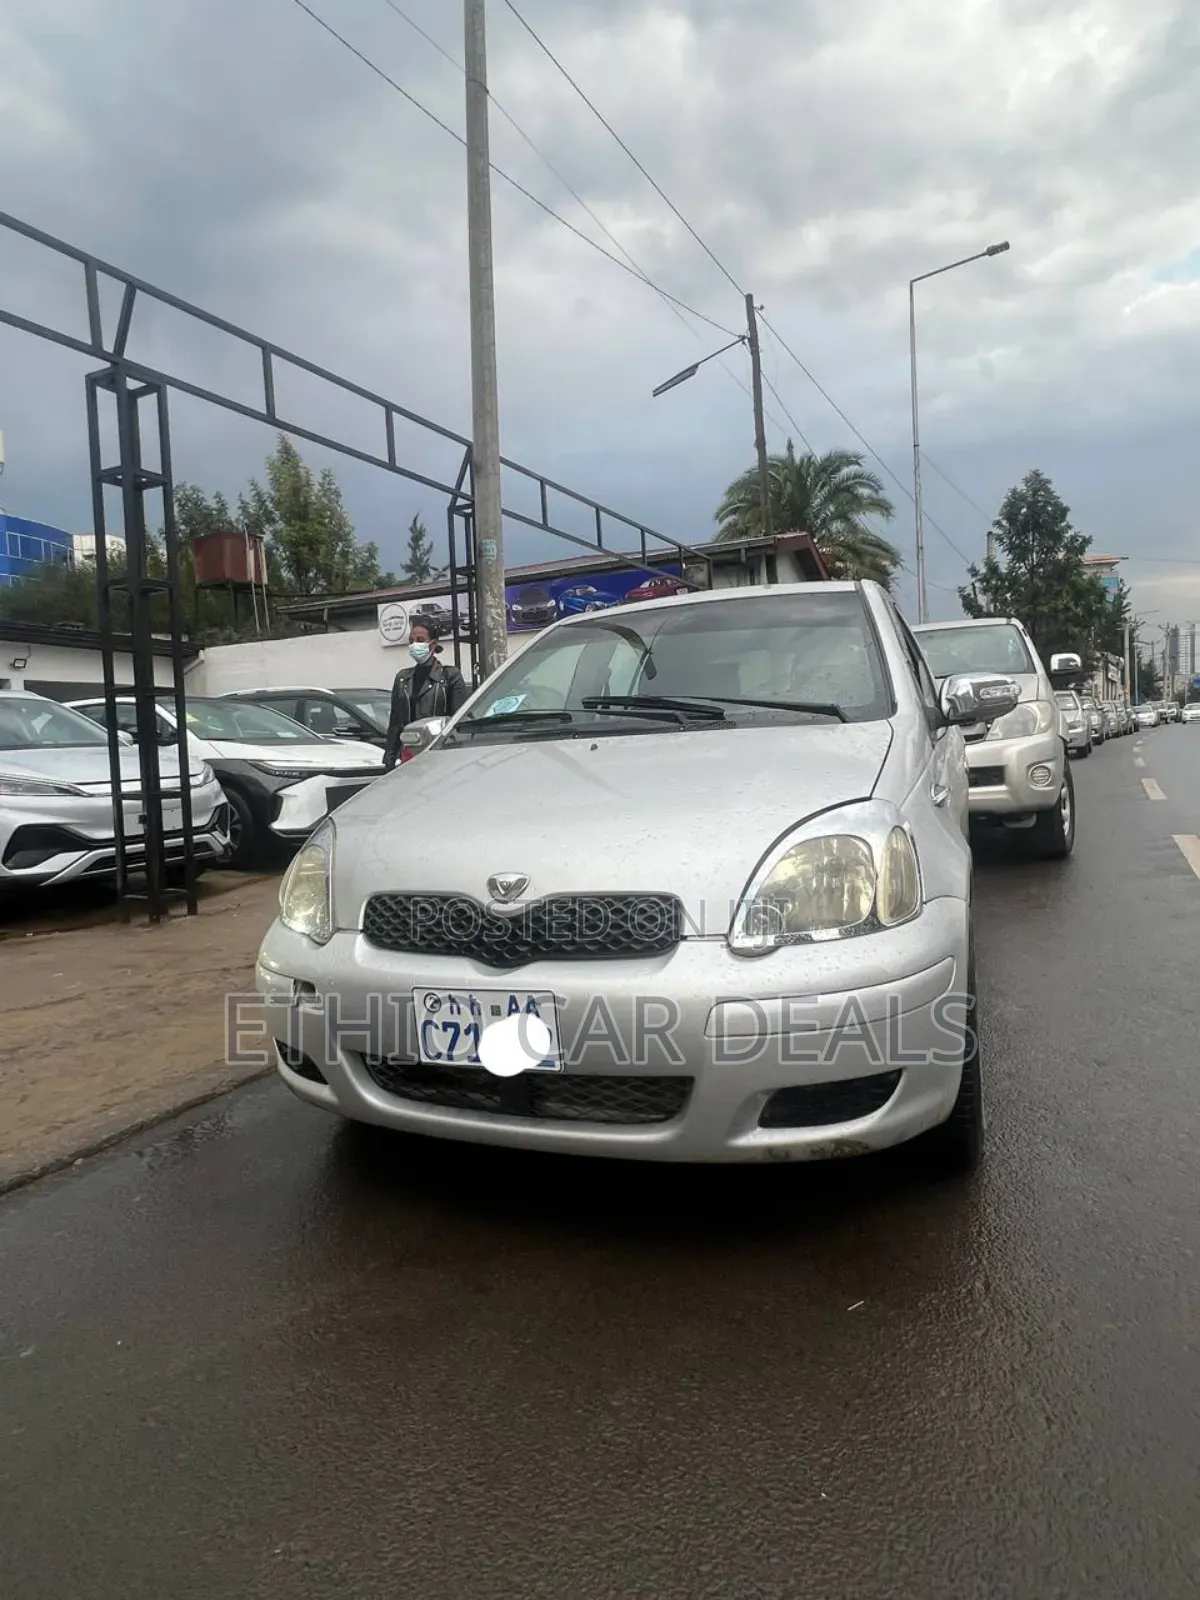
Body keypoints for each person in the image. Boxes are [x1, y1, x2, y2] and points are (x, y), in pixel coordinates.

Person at [382, 622, 470, 769]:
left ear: (433, 644)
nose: (414, 645)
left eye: (420, 640)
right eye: (411, 641)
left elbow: (458, 721)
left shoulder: (449, 676)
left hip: (438, 753)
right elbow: (395, 723)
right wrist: (389, 758)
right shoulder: (403, 678)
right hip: (408, 752)